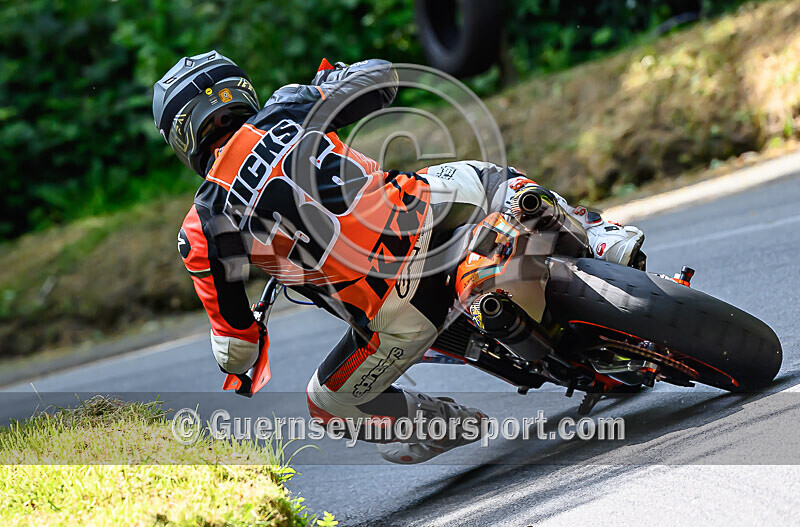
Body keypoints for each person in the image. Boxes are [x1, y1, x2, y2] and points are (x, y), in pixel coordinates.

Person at [153, 51, 645, 463]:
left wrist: (244, 358)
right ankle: (600, 238)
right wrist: (335, 79)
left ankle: (447, 424)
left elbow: (234, 346)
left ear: (183, 137)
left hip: (400, 316)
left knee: (328, 405)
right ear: (240, 91)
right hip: (426, 220)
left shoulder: (201, 224)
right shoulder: (287, 108)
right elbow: (382, 80)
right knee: (492, 179)